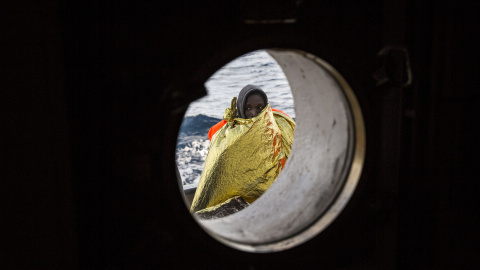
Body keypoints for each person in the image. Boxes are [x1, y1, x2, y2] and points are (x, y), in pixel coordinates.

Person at [190, 85, 295, 218]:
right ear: (240, 108)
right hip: (241, 205)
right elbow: (213, 135)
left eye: (260, 108)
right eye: (248, 108)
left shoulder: (276, 126)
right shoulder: (230, 132)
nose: (254, 113)